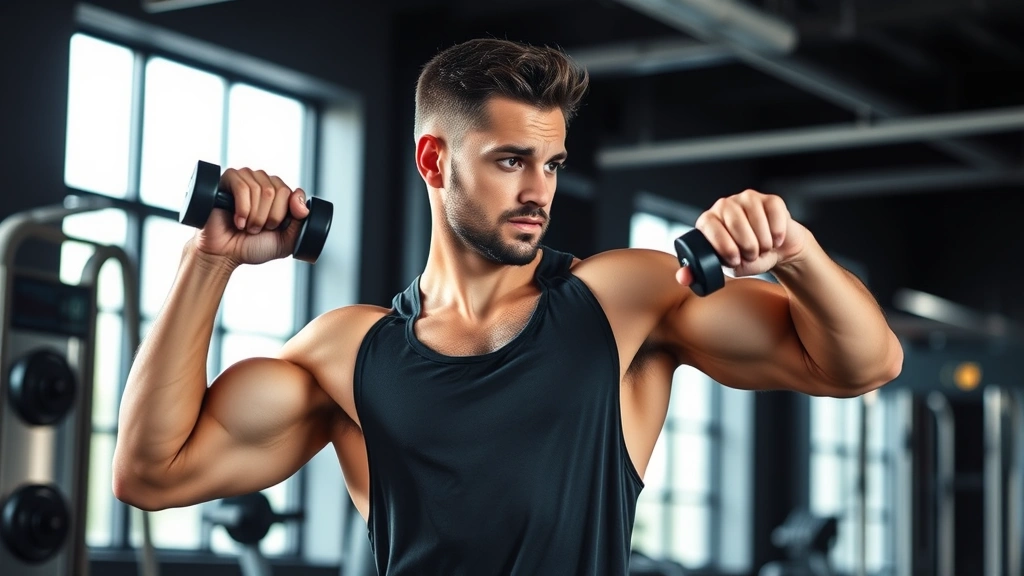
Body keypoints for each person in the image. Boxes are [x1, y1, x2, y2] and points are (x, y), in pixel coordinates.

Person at [112, 38, 903, 575]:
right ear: (435, 160)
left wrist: (795, 254)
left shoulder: (624, 300)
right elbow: (150, 473)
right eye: (511, 161)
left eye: (552, 164)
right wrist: (207, 261)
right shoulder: (347, 353)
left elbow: (867, 364)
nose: (539, 192)